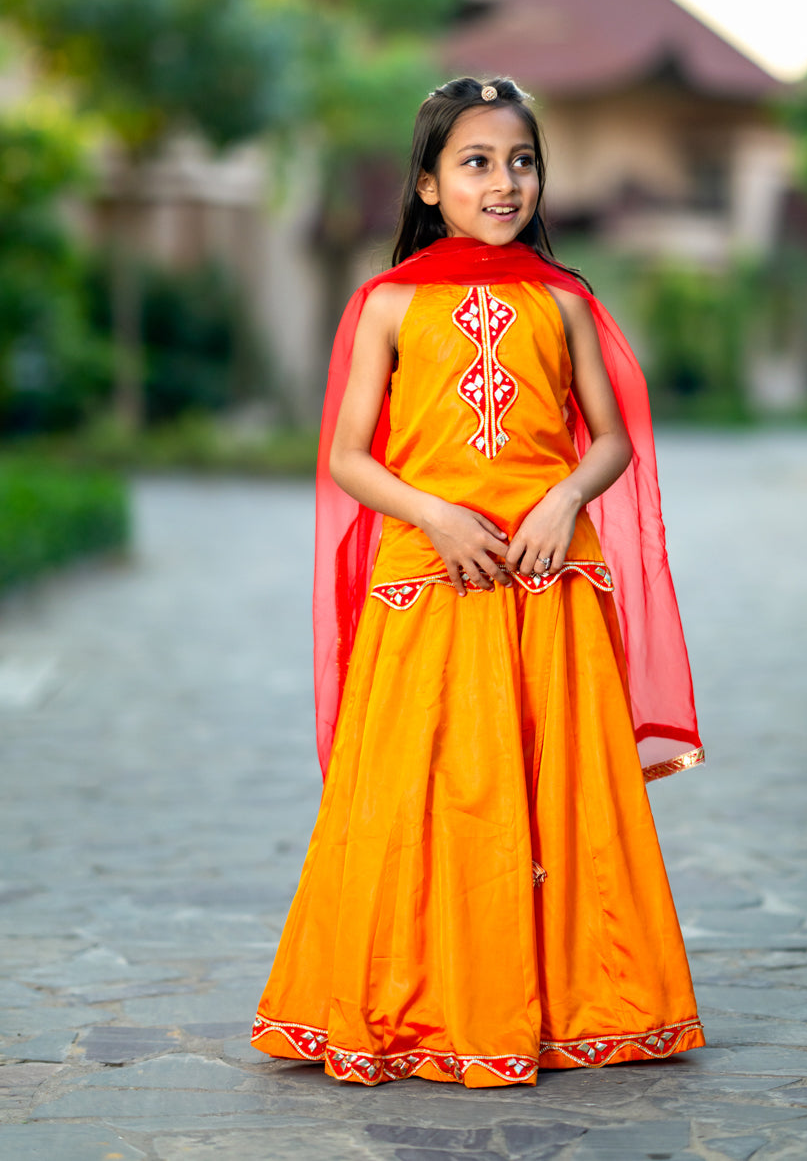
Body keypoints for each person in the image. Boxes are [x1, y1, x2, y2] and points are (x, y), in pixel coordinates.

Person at [251, 76, 705, 1087]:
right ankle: (418, 1005)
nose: (503, 183)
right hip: (432, 573)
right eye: (476, 162)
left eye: (521, 161)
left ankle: (585, 1006)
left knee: (561, 793)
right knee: (426, 794)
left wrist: (560, 500)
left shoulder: (565, 299)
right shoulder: (388, 304)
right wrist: (435, 512)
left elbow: (613, 440)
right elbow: (348, 457)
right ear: (425, 184)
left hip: (549, 576)